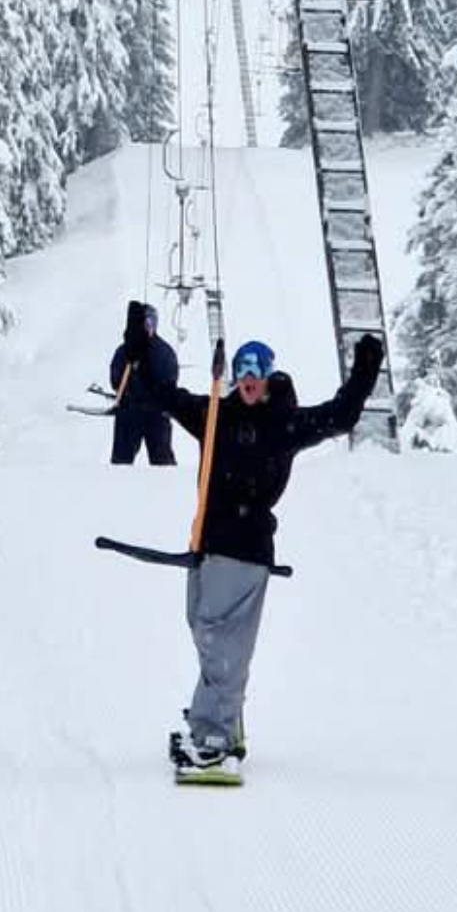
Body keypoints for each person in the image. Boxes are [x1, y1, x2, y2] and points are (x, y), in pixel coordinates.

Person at [119, 301, 384, 776]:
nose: (248, 377)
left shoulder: (285, 423)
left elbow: (340, 416)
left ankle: (215, 736)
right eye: (242, 368)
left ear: (269, 375)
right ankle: (219, 710)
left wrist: (364, 373)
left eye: (257, 369)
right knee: (201, 627)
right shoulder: (214, 414)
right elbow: (161, 395)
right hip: (207, 541)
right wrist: (139, 352)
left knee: (222, 639)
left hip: (246, 548)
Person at [104, 302, 179, 465]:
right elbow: (115, 379)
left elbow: (169, 381)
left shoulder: (163, 351)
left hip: (157, 414)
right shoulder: (125, 351)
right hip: (129, 412)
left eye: (151, 322)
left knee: (162, 461)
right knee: (121, 462)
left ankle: (167, 488)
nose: (148, 327)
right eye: (146, 322)